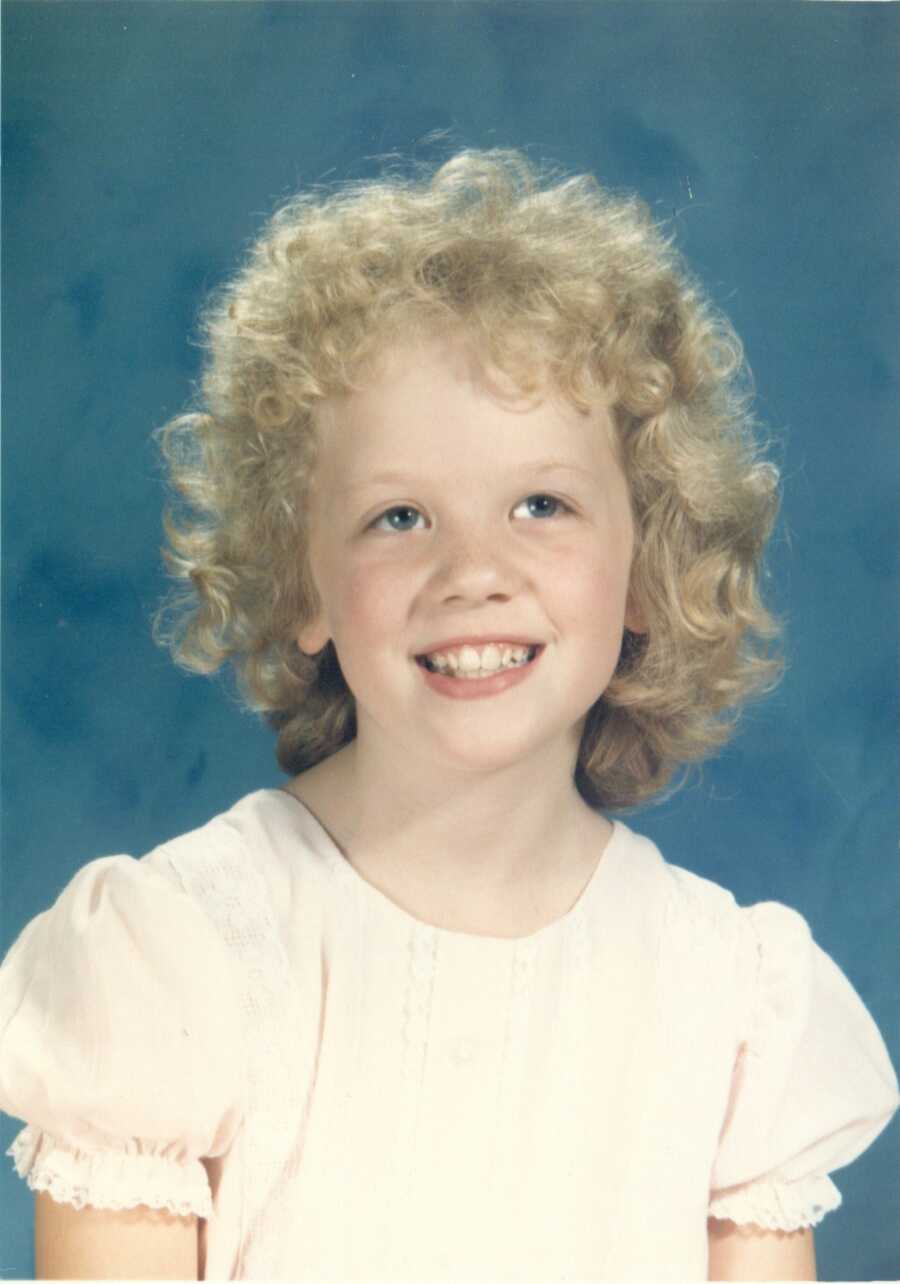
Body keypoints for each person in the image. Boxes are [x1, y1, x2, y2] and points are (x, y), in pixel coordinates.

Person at [1, 149, 896, 1282]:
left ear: (644, 563)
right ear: (305, 583)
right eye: (400, 516)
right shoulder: (177, 964)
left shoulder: (731, 1006)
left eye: (542, 503)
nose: (475, 570)